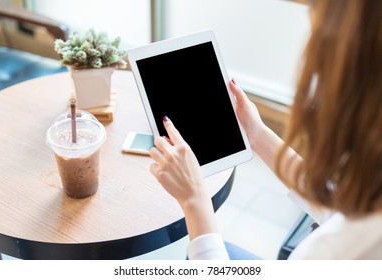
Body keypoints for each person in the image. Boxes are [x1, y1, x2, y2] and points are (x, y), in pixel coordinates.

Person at [149, 0, 382, 259]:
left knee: (197, 251)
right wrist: (257, 135)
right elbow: (340, 206)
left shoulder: (339, 252)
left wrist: (195, 202)